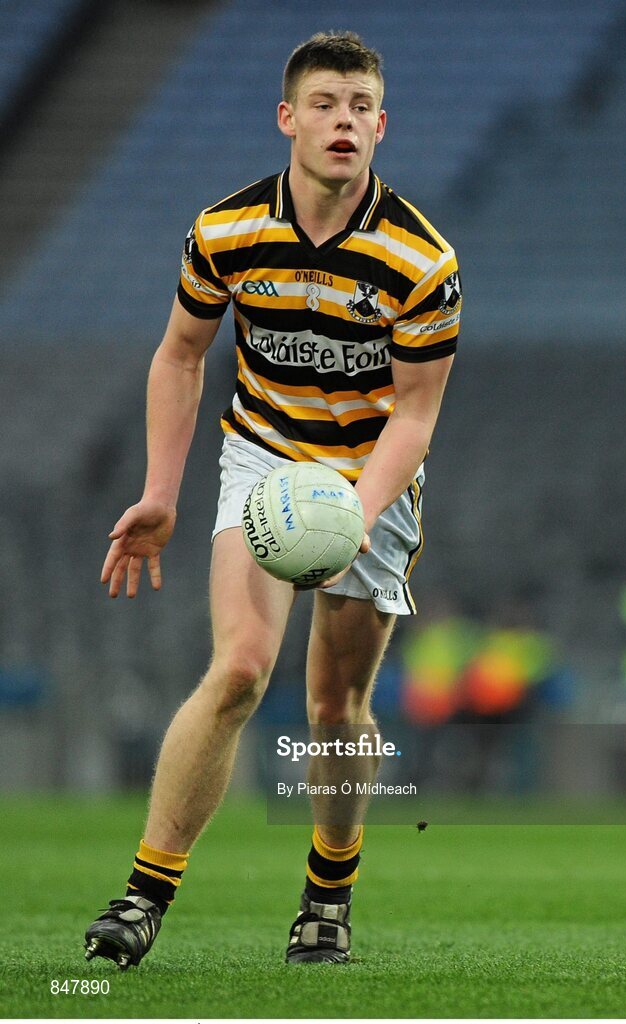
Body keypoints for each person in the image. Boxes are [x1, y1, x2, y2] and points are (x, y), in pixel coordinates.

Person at [84, 30, 462, 968]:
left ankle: (325, 900)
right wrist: (161, 493)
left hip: (369, 475)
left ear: (383, 123)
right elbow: (179, 355)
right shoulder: (224, 231)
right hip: (263, 458)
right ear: (288, 118)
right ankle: (143, 894)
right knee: (243, 669)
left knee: (336, 705)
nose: (344, 121)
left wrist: (357, 515)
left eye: (361, 106)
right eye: (326, 104)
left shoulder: (421, 260)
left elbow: (413, 419)